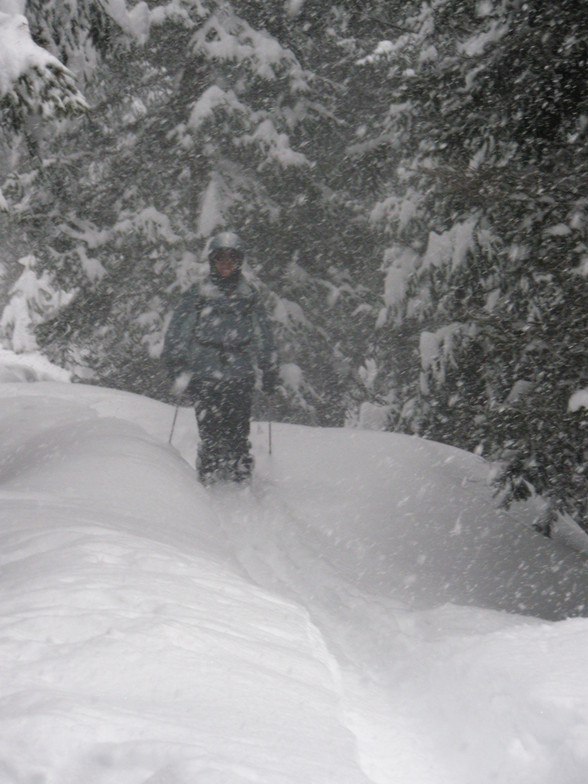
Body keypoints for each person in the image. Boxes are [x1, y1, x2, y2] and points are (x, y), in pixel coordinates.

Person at [162, 231, 279, 484]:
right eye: (221, 259)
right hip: (204, 372)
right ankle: (210, 467)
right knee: (210, 430)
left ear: (239, 262)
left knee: (237, 430)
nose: (226, 264)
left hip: (239, 374)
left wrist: (269, 366)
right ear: (212, 261)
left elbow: (263, 332)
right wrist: (175, 361)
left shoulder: (249, 296)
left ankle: (239, 470)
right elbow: (179, 328)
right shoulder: (199, 294)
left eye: (231, 259)